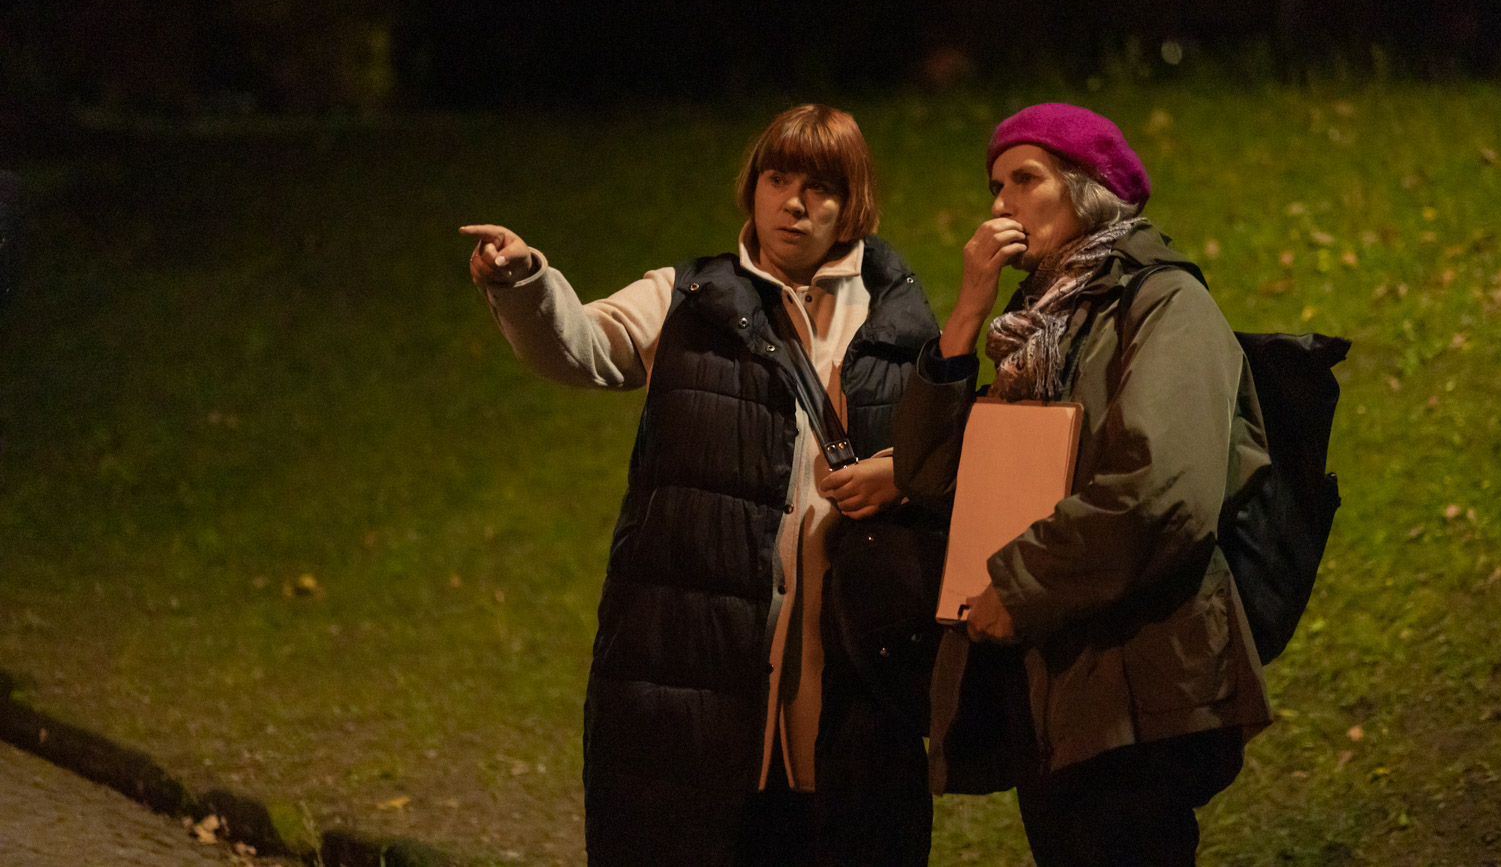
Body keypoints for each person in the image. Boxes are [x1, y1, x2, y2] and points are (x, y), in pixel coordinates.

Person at [461, 104, 939, 867]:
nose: (793, 203)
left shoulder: (899, 320)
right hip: (689, 672)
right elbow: (578, 346)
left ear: (851, 203)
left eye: (818, 186)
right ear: (753, 187)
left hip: (846, 694)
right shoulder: (684, 296)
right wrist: (525, 282)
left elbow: (941, 466)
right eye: (777, 178)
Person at [892, 103, 1275, 867]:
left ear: (1089, 188)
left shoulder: (1164, 303)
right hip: (1053, 676)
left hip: (1137, 673)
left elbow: (1162, 488)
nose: (1000, 205)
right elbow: (931, 476)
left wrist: (1020, 583)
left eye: (1025, 179)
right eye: (995, 186)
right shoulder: (1031, 328)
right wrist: (966, 315)